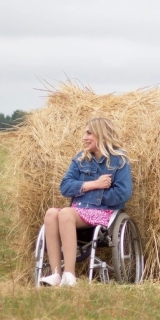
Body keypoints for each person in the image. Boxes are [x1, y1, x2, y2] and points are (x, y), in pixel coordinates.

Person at [40, 117, 132, 287]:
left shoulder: (119, 161)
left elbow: (122, 194)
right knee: (51, 213)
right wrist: (94, 185)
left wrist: (91, 197)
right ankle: (55, 274)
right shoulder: (81, 159)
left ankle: (69, 275)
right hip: (79, 212)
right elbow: (65, 187)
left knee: (66, 213)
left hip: (105, 213)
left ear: (101, 135)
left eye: (89, 133)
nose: (84, 137)